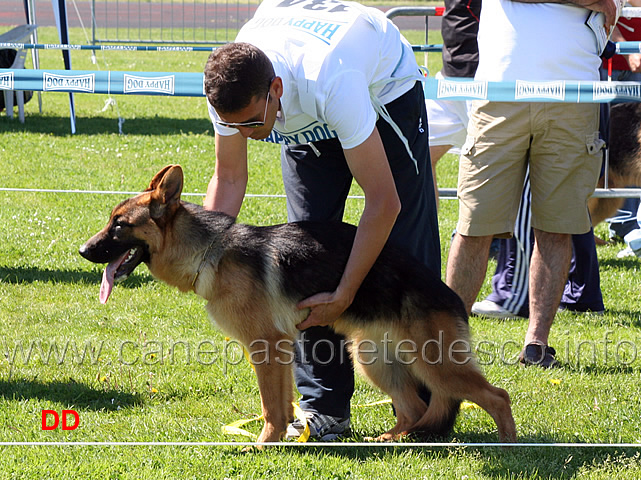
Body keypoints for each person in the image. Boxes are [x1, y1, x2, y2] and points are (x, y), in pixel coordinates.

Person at [203, 0, 440, 440]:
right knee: (302, 263)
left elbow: (383, 203)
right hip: (308, 112)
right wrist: (202, 261)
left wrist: (346, 292)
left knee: (405, 248)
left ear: (275, 88)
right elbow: (229, 177)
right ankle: (325, 411)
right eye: (234, 126)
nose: (248, 134)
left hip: (380, 91)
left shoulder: (332, 80)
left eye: (253, 122)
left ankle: (425, 408)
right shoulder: (229, 89)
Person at [445, 0, 617, 369]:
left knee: (558, 227)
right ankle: (445, 345)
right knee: (475, 227)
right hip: (500, 92)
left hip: (575, 96)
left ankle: (537, 347)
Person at [425, 0, 481, 207]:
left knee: (489, 169)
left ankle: (580, 235)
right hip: (449, 78)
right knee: (417, 157)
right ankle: (426, 237)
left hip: (482, 82)